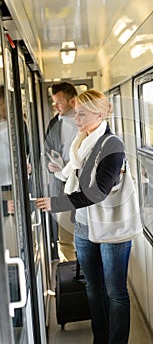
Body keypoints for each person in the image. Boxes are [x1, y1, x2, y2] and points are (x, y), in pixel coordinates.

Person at [37, 89, 138, 343]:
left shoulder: (112, 145)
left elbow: (97, 192)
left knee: (115, 292)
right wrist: (61, 172)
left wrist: (57, 203)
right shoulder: (80, 141)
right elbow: (76, 175)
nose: (76, 117)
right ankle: (100, 338)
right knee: (93, 289)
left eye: (82, 113)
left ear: (100, 114)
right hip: (83, 226)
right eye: (75, 112)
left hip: (110, 228)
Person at [45, 81, 77, 261]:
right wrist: (50, 165)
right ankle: (71, 272)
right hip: (61, 185)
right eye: (54, 102)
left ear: (72, 101)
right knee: (64, 237)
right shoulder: (53, 123)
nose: (55, 106)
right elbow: (47, 150)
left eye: (60, 102)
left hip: (82, 184)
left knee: (86, 234)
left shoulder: (86, 122)